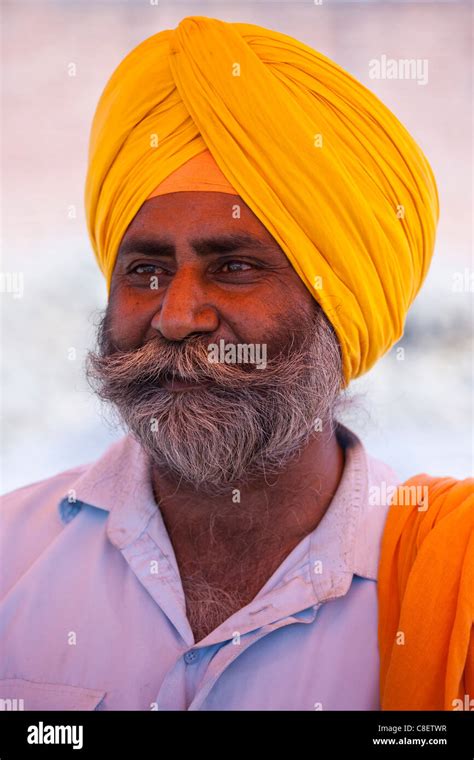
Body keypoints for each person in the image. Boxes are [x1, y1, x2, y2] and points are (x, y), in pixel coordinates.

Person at [1, 16, 472, 712]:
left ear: (339, 307)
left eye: (235, 266)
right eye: (148, 270)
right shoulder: (12, 556)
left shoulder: (453, 577)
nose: (177, 315)